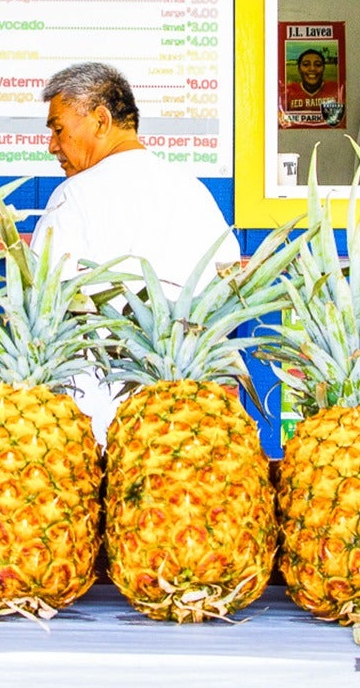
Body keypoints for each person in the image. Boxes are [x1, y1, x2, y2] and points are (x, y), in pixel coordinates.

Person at [30, 62, 241, 441]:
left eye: (58, 128)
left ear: (100, 119)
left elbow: (42, 305)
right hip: (185, 427)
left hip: (94, 423)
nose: (52, 146)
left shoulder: (74, 197)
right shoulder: (194, 193)